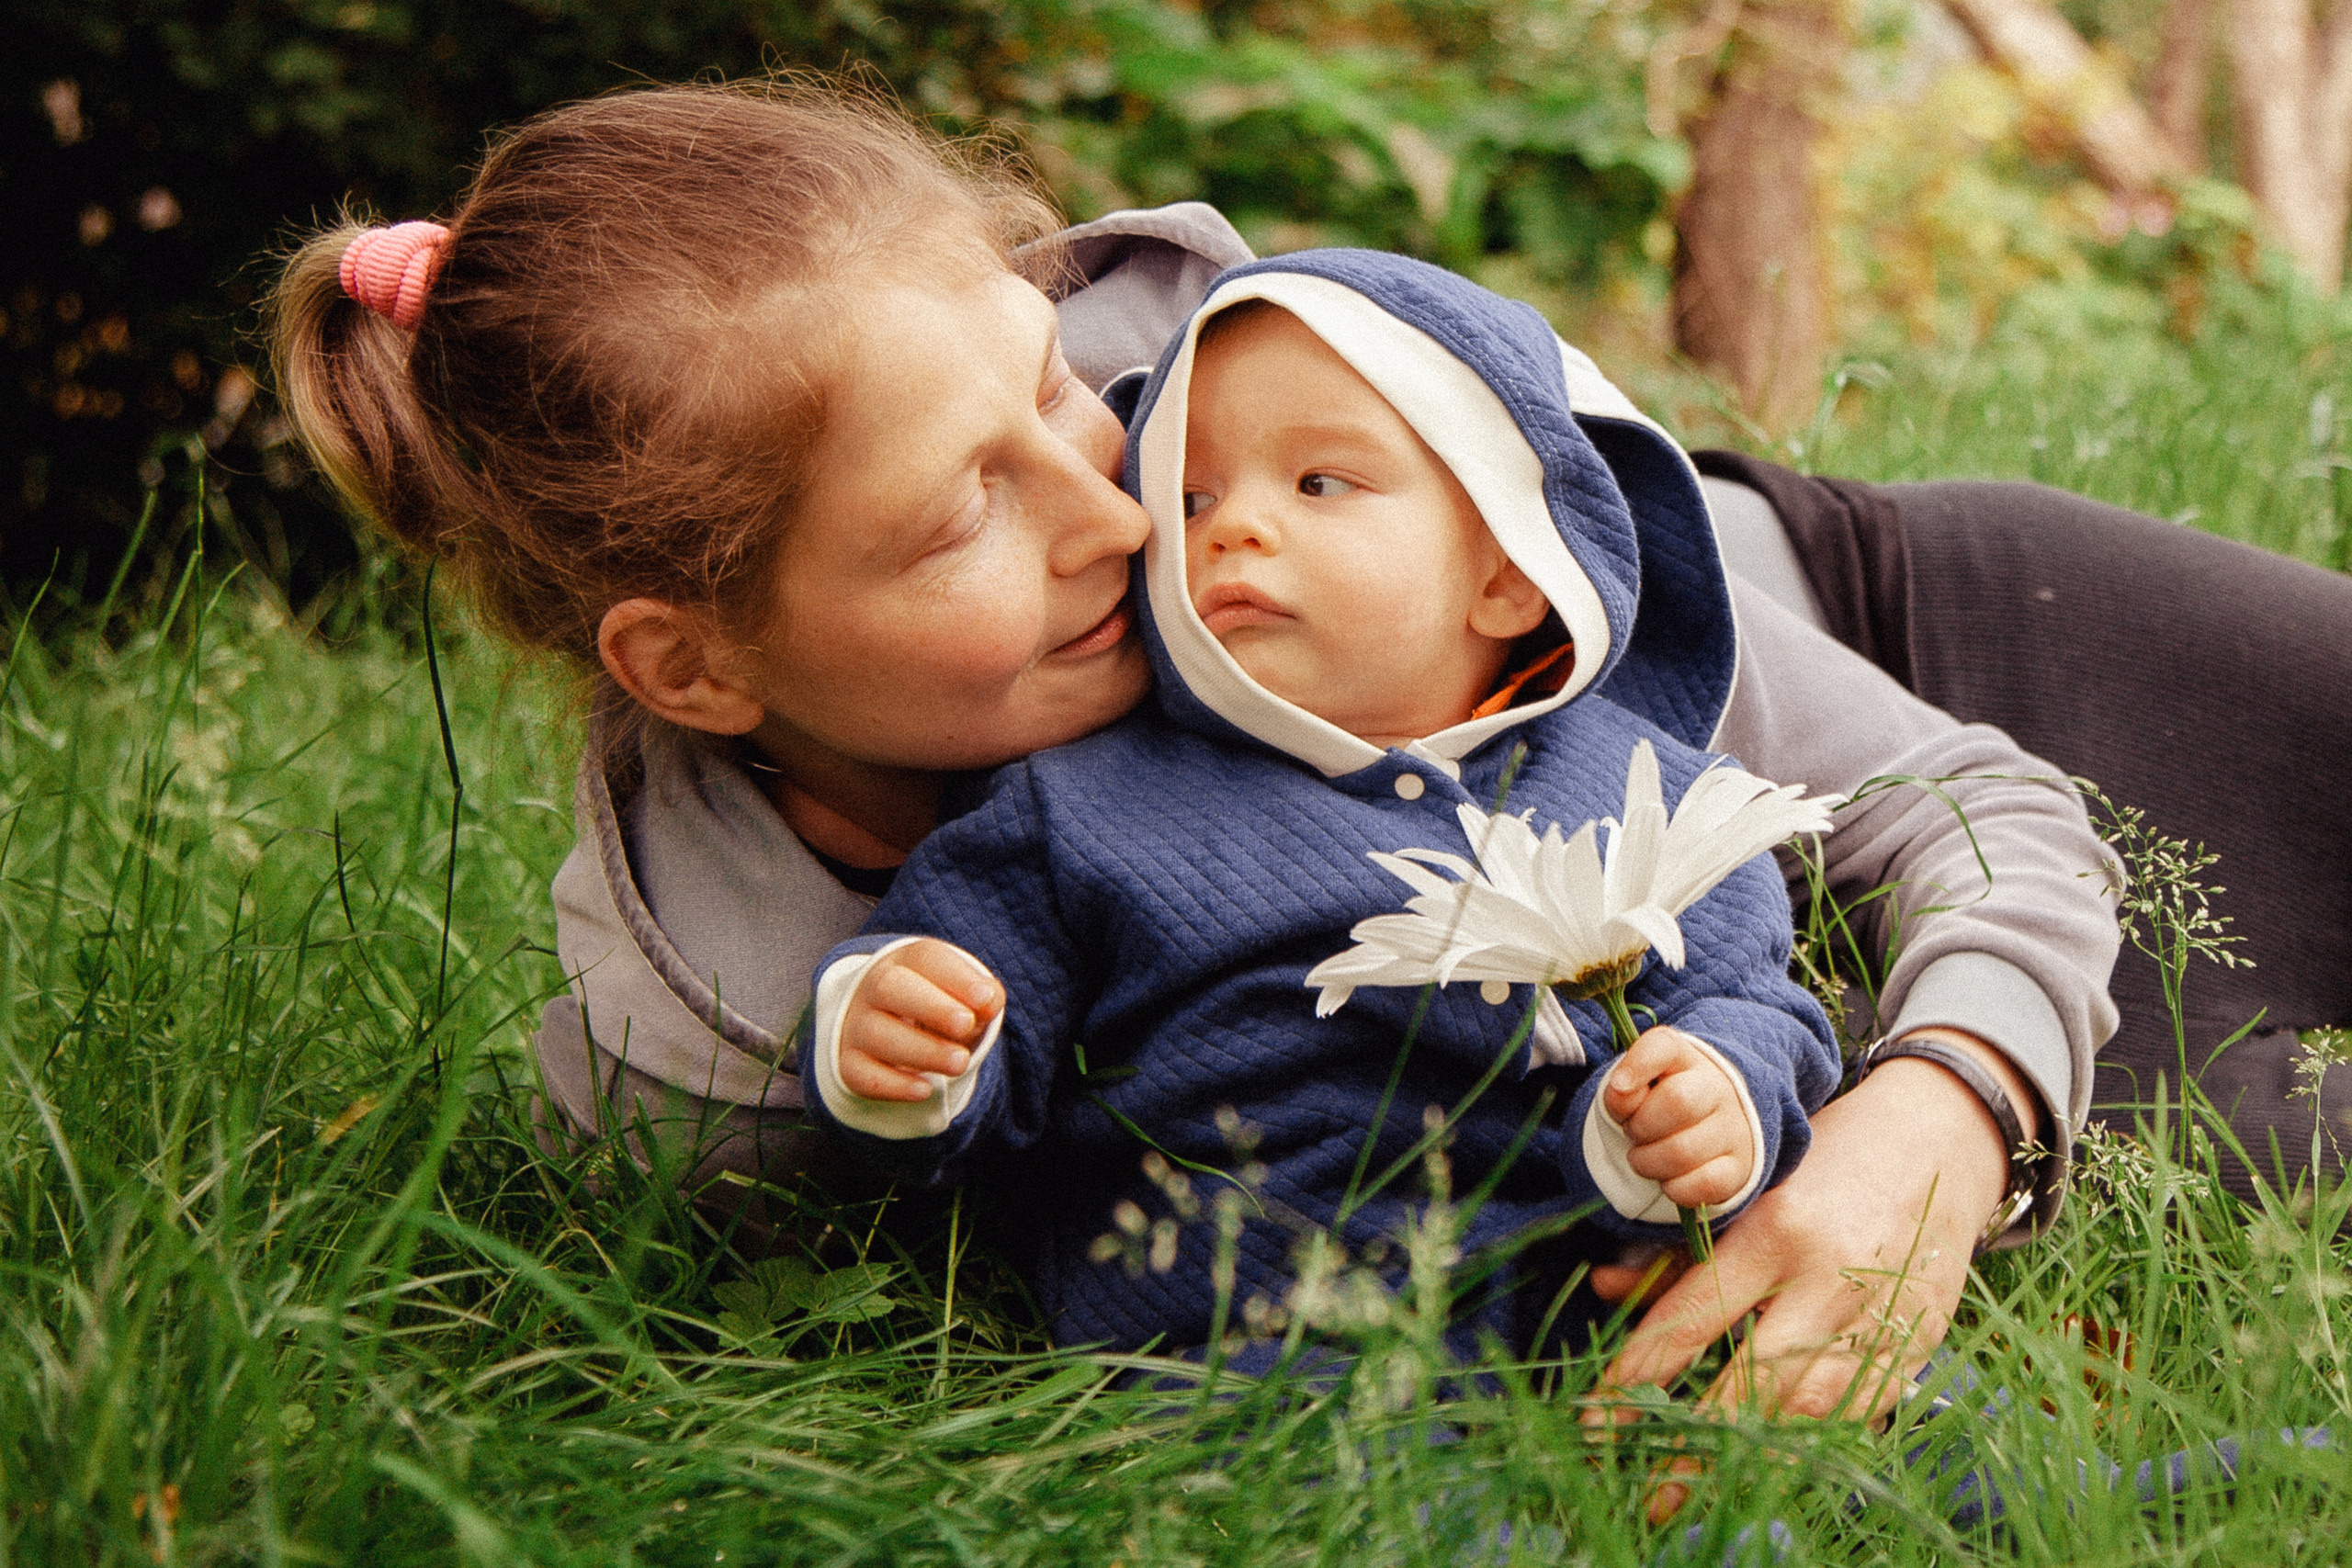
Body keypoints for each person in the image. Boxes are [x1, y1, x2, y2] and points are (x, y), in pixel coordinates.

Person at [266, 80, 2158, 1427]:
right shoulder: (708, 1049)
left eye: (1050, 388)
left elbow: (1972, 807)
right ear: (689, 669)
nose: (1124, 523)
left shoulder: (1319, 497)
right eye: (952, 523)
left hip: (1891, 603)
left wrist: (1942, 1112)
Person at [798, 255, 1843, 1359]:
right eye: (1189, 496)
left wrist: (1717, 1093)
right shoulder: (1081, 808)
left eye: (1318, 484)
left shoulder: (1651, 789)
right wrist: (899, 1044)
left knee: (1915, 1454)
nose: (1231, 527)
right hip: (1259, 1334)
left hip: (1629, 1300)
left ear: (1508, 571)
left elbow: (1756, 999)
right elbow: (964, 1003)